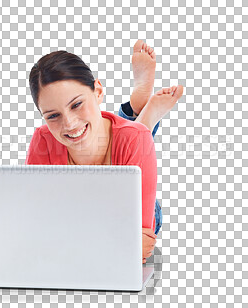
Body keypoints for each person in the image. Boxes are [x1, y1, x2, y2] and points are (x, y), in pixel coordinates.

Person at [26, 40, 184, 263]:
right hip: (107, 220)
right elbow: (38, 230)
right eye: (53, 116)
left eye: (76, 104)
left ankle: (141, 121)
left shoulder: (135, 140)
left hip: (141, 209)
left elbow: (138, 247)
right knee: (134, 135)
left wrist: (69, 238)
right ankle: (141, 117)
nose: (69, 123)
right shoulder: (43, 140)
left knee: (136, 137)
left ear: (98, 92)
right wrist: (116, 241)